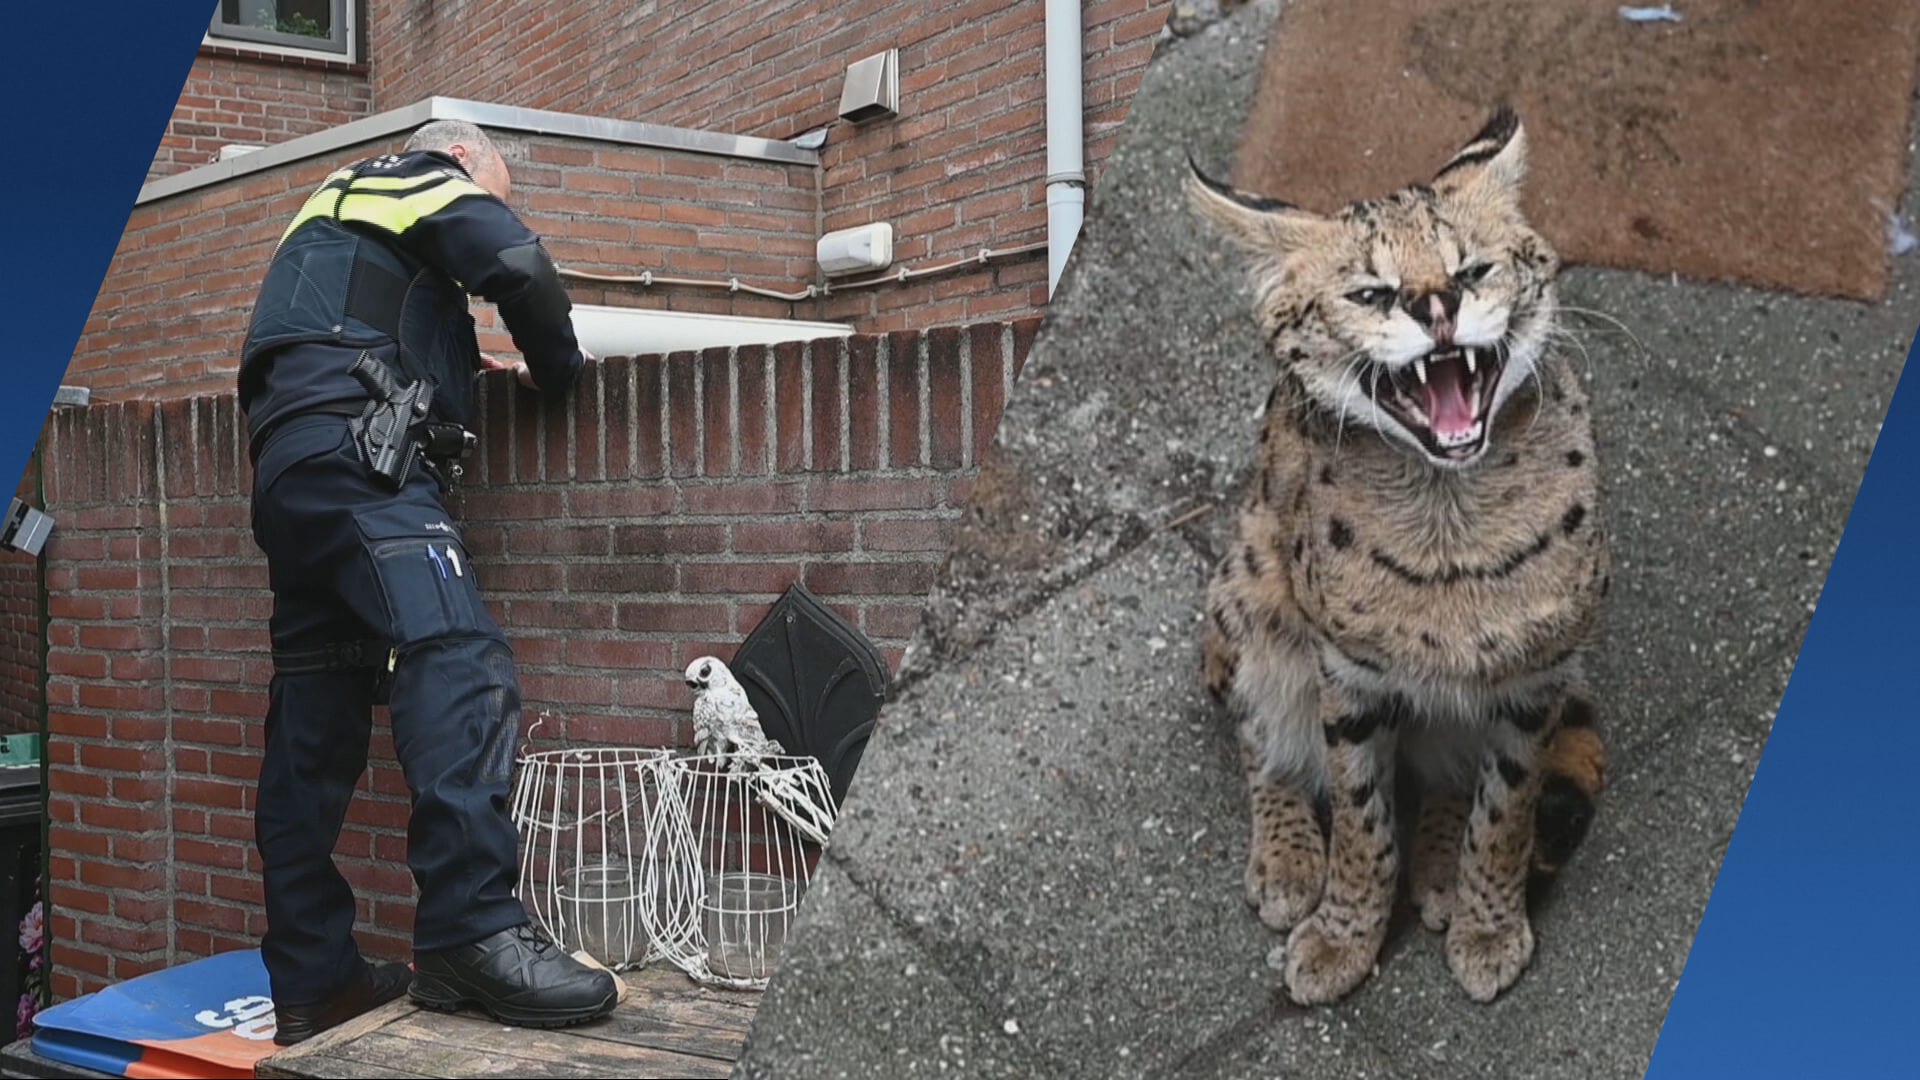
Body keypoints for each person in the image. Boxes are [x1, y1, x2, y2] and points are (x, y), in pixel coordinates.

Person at [237, 120, 616, 1045]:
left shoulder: (323, 224)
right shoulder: (406, 173)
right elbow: (518, 266)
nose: (485, 203)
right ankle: (471, 931)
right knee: (458, 657)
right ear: (459, 161)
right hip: (362, 465)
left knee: (314, 714)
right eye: (489, 188)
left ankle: (316, 983)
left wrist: (448, 360)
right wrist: (559, 371)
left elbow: (360, 320)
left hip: (294, 471)